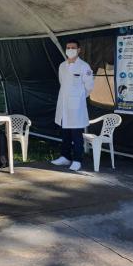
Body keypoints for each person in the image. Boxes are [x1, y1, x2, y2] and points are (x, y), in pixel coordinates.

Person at [51, 39, 95, 171]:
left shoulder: (84, 66)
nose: (70, 49)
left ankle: (77, 160)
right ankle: (65, 157)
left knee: (76, 135)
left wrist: (78, 97)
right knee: (65, 133)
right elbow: (62, 82)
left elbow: (89, 87)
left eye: (73, 47)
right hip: (64, 105)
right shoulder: (62, 66)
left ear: (79, 50)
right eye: (68, 47)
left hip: (76, 107)